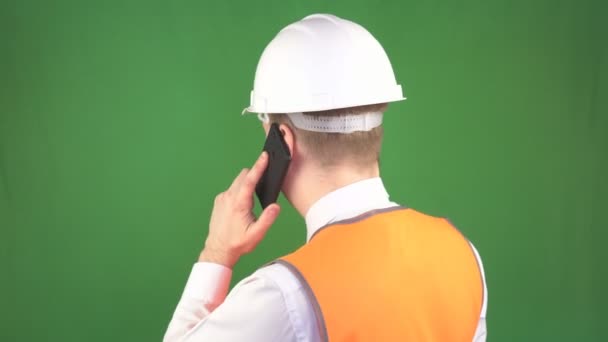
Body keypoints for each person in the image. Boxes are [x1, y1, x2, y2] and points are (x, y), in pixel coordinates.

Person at [164, 13, 487, 342]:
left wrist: (216, 252)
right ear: (375, 128)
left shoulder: (283, 295)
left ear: (283, 141)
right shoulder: (462, 253)